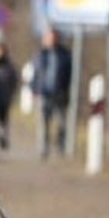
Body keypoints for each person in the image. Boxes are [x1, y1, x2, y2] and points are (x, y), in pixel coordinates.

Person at [30, 28, 73, 159]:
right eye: (48, 38)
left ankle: (61, 146)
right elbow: (35, 75)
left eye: (53, 37)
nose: (50, 40)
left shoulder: (65, 55)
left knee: (61, 122)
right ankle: (43, 148)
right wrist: (34, 90)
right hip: (43, 92)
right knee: (43, 122)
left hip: (60, 93)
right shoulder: (39, 55)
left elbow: (71, 75)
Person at [0, 42, 20, 150]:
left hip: (5, 98)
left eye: (0, 50)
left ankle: (3, 138)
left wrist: (12, 93)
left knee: (3, 120)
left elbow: (14, 80)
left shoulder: (9, 66)